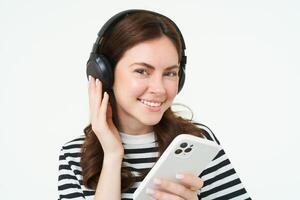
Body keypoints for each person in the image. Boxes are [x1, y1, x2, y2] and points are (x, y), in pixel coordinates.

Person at [58, 9, 251, 200]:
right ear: (104, 74)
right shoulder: (74, 156)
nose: (159, 89)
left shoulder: (197, 142)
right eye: (142, 71)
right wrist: (112, 156)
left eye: (170, 73)